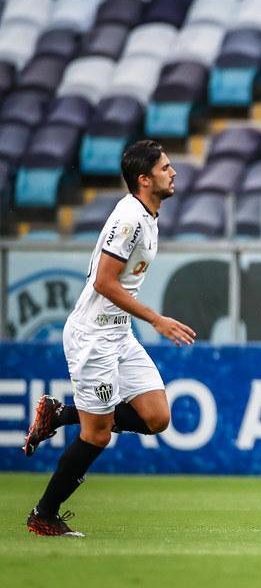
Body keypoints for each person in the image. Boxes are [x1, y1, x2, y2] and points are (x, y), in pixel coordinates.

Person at [23, 139, 196, 537]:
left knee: (157, 417)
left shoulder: (148, 215)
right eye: (166, 168)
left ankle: (60, 413)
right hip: (93, 337)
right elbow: (103, 281)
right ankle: (44, 515)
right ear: (144, 179)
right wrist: (156, 319)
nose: (173, 173)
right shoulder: (131, 217)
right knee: (96, 435)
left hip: (119, 334)